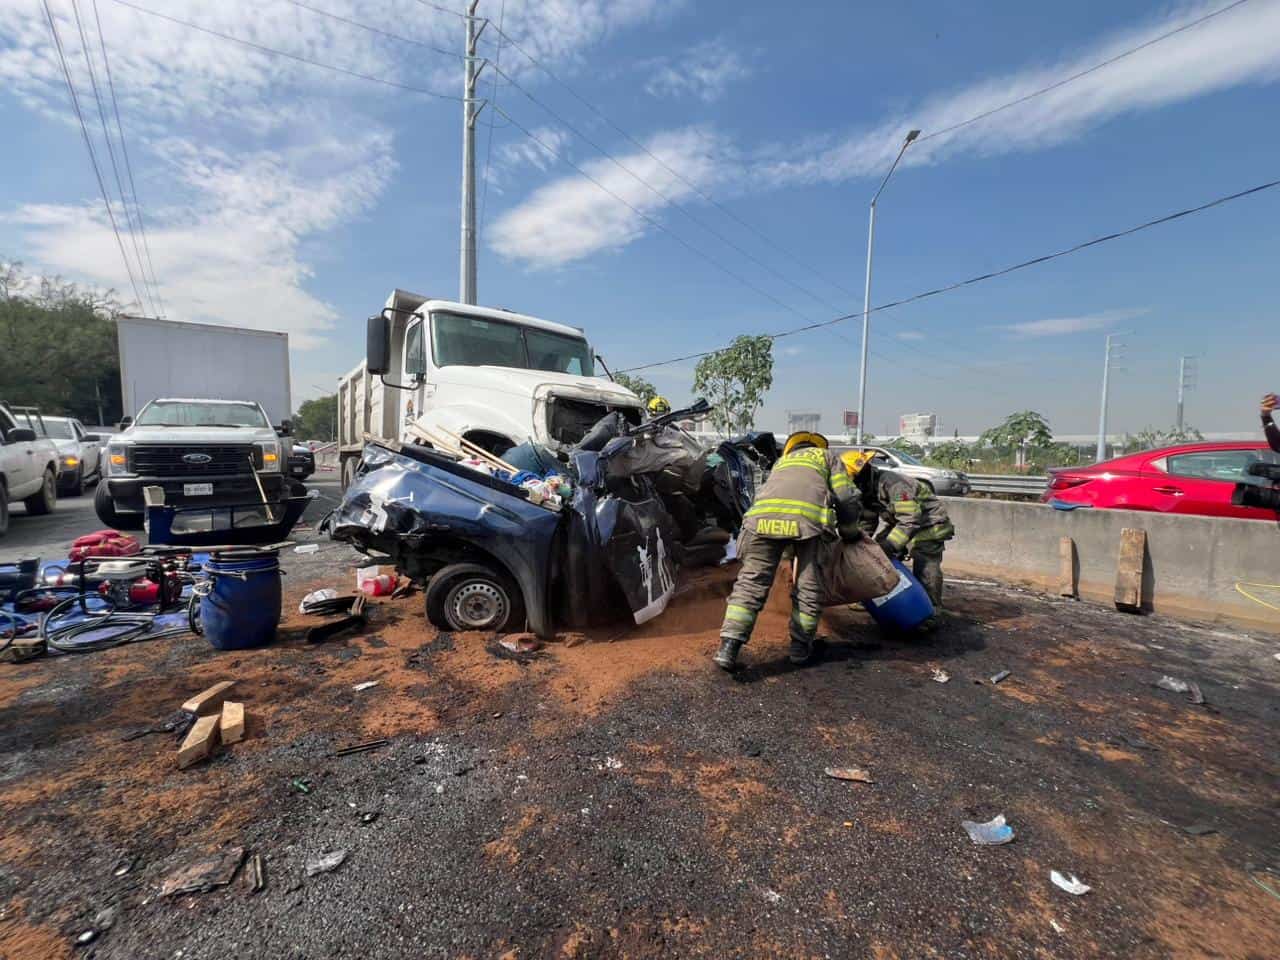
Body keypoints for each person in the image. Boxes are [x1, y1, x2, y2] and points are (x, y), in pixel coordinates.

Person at [714, 431, 862, 670]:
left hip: (760, 521)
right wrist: (850, 531)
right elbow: (845, 497)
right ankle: (800, 649)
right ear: (818, 446)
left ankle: (728, 647)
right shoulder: (828, 456)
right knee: (808, 584)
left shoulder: (781, 462)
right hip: (808, 523)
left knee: (752, 582)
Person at [842, 449, 954, 611]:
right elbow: (868, 519)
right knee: (875, 552)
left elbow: (910, 519)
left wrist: (891, 546)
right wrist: (859, 544)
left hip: (929, 525)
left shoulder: (893, 484)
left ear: (863, 473)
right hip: (903, 523)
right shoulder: (866, 489)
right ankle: (874, 596)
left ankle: (931, 609)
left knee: (925, 564)